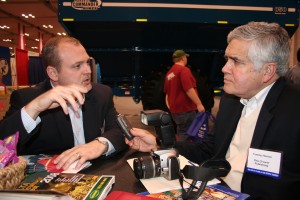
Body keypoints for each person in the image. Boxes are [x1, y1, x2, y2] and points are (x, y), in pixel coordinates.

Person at [127, 22, 300, 199]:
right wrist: (159, 143)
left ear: (267, 71)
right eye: (227, 59)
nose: (224, 68)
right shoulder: (230, 101)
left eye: (236, 61)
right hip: (216, 190)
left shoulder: (294, 110)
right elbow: (208, 151)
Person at [0, 36, 127, 170]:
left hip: (94, 173)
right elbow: (3, 144)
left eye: (87, 62)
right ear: (53, 73)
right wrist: (34, 108)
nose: (88, 71)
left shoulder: (102, 93)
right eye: (77, 66)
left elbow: (120, 130)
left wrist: (100, 144)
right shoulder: (28, 98)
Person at [164, 50, 205, 141]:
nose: (186, 59)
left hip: (175, 110)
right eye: (186, 57)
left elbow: (167, 93)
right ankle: (182, 152)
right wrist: (199, 104)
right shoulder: (184, 70)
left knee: (181, 130)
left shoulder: (170, 73)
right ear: (183, 58)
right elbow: (189, 89)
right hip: (185, 109)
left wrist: (171, 106)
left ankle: (181, 150)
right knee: (187, 133)